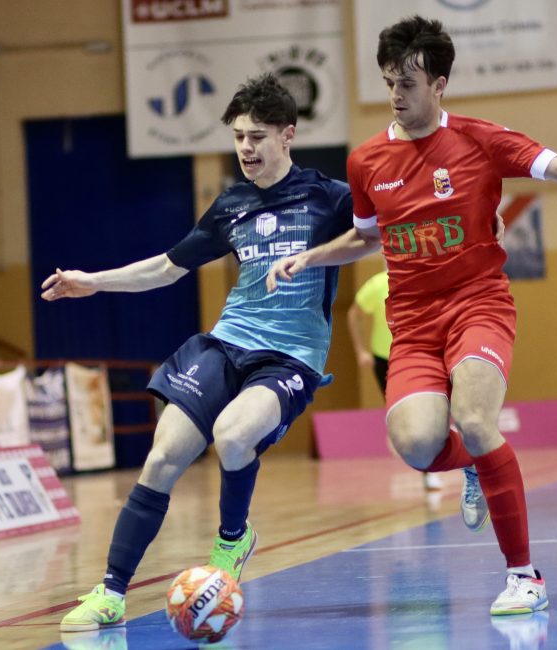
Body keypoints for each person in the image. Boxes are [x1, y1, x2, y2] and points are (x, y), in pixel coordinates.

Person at [267, 15, 557, 616]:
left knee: (474, 418)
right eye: (389, 82)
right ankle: (473, 461)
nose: (397, 94)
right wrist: (310, 257)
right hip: (413, 324)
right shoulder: (367, 161)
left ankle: (524, 576)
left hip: (478, 304)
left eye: (409, 83)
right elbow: (366, 236)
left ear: (439, 84)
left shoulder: (479, 140)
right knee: (417, 445)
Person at [45, 74, 356, 633]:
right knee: (163, 456)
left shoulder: (329, 197)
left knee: (233, 436)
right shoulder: (231, 205)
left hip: (289, 357)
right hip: (226, 342)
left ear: (288, 134)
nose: (246, 149)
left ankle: (232, 539)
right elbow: (168, 267)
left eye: (257, 137)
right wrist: (93, 281)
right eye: (238, 137)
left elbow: (383, 230)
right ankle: (110, 592)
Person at [348, 269, 444, 490]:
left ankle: (429, 470)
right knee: (402, 413)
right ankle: (400, 429)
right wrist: (360, 351)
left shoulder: (422, 279)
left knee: (424, 414)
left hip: (416, 355)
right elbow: (353, 314)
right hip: (384, 359)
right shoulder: (376, 284)